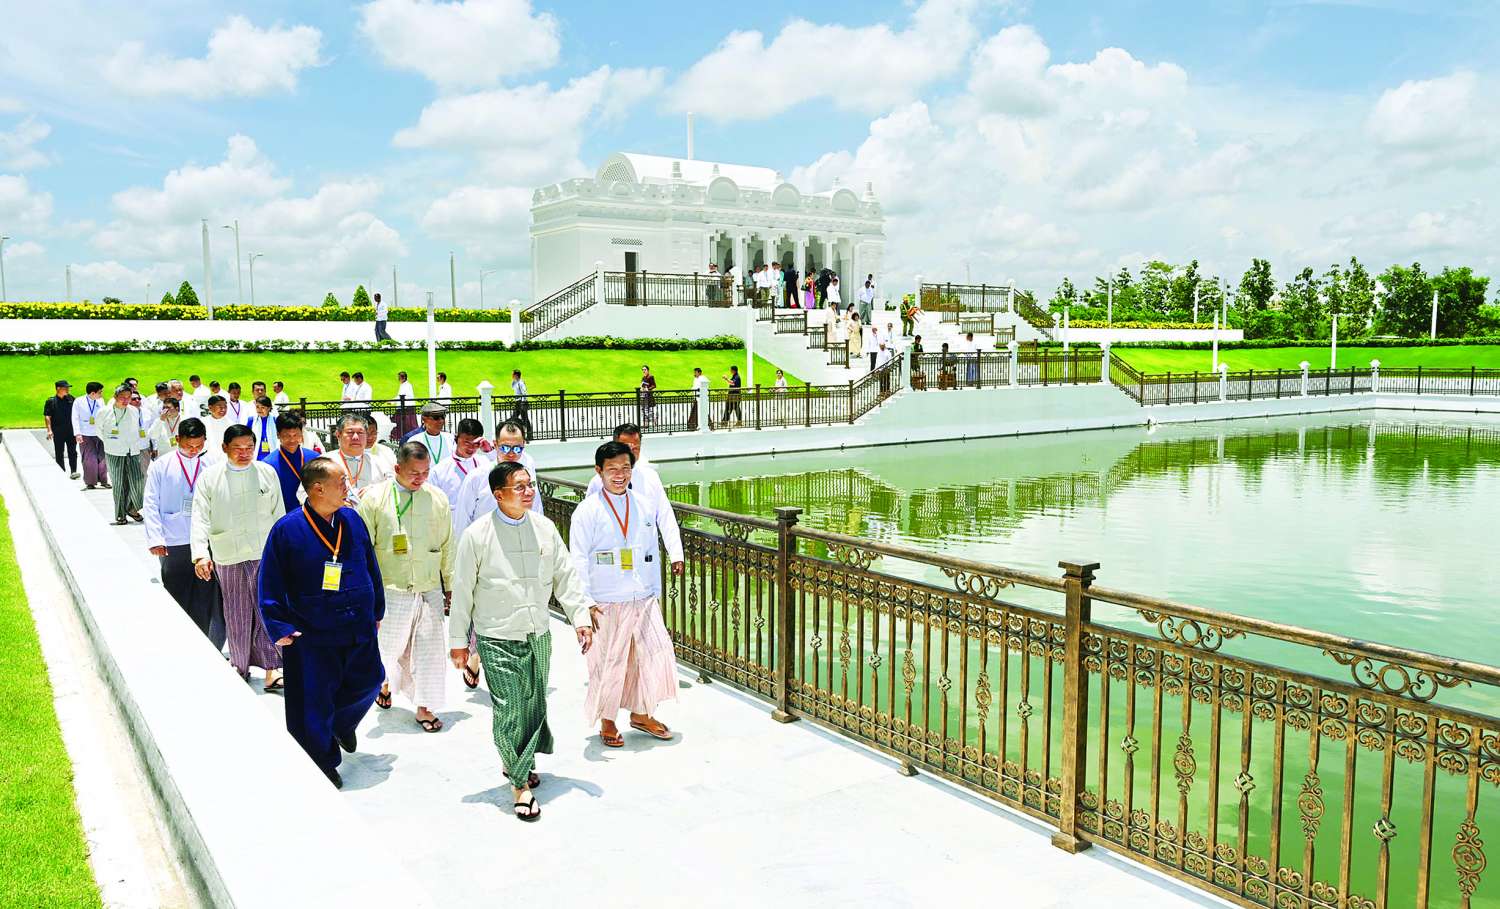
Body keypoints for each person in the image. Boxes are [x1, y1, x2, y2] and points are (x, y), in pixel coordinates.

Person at [448, 460, 594, 821]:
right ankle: (519, 784)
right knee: (509, 707)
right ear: (499, 495)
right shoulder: (477, 535)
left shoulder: (544, 528)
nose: (529, 492)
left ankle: (518, 760)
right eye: (520, 487)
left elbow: (566, 576)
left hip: (538, 631)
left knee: (532, 704)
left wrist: (580, 619)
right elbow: (462, 590)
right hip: (496, 634)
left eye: (531, 485)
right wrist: (458, 641)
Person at [258, 456, 385, 788]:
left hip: (357, 623)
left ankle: (341, 724)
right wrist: (279, 625)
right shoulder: (287, 530)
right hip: (312, 631)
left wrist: (376, 610)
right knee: (312, 701)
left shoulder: (352, 519)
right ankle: (321, 761)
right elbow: (270, 580)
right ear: (317, 489)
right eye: (341, 482)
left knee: (371, 680)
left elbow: (370, 565)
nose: (347, 487)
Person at [571, 441, 682, 748]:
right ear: (599, 471)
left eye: (625, 468)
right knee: (609, 662)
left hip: (641, 596)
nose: (619, 475)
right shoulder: (587, 511)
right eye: (612, 469)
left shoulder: (644, 504)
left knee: (652, 656)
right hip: (605, 600)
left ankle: (642, 713)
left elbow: (650, 549)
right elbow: (577, 559)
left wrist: (656, 586)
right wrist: (585, 602)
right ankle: (607, 720)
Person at [358, 443, 453, 733]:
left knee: (429, 650)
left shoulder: (437, 498)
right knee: (387, 648)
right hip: (390, 587)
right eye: (414, 473)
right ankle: (384, 682)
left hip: (428, 586)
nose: (420, 478)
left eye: (425, 473)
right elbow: (362, 547)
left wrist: (449, 584)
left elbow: (448, 544)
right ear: (397, 468)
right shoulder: (375, 498)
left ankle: (425, 707)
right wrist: (364, 590)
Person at [193, 424, 286, 690]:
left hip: (263, 553)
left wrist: (284, 553)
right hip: (228, 553)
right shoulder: (210, 477)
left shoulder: (267, 472)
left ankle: (273, 668)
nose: (244, 453)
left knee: (267, 607)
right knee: (236, 611)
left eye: (249, 448)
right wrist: (200, 554)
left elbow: (278, 514)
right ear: (224, 448)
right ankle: (239, 664)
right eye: (237, 448)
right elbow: (199, 516)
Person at [143, 417, 224, 646]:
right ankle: (178, 640)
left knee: (205, 593)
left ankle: (204, 641)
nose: (194, 450)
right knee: (176, 590)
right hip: (173, 538)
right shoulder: (161, 465)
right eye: (189, 446)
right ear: (178, 439)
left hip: (204, 540)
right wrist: (155, 538)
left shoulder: (212, 463)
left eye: (199, 445)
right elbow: (150, 502)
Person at [455, 421, 537, 530]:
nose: (511, 453)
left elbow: (537, 513)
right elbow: (462, 520)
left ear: (523, 445)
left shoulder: (528, 477)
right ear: (495, 445)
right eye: (505, 448)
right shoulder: (477, 477)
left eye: (517, 448)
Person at [98, 384, 146, 525]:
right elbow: (99, 431)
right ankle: (120, 514)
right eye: (122, 397)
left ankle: (131, 507)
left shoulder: (134, 411)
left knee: (138, 481)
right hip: (114, 451)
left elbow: (136, 429)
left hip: (133, 450)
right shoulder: (104, 412)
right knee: (119, 483)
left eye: (128, 397)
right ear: (115, 397)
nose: (125, 400)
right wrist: (111, 442)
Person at [429, 418, 490, 514]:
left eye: (476, 443)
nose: (471, 448)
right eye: (467, 442)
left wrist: (489, 451)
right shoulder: (439, 471)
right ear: (456, 438)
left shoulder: (485, 463)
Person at [266, 412, 320, 513]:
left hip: (314, 513)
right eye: (287, 435)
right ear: (278, 435)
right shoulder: (268, 464)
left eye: (296, 435)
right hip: (284, 515)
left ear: (301, 434)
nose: (292, 440)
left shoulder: (314, 458)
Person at [331, 413, 389, 500]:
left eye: (360, 433)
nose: (355, 437)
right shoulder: (326, 461)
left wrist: (377, 489)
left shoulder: (379, 462)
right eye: (350, 432)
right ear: (338, 434)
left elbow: (394, 486)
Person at [72, 381, 109, 489]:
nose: (101, 394)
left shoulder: (101, 401)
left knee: (103, 457)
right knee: (89, 458)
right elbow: (75, 417)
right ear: (93, 393)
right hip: (85, 433)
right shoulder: (79, 401)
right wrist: (77, 433)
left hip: (100, 433)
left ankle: (103, 480)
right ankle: (90, 482)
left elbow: (105, 415)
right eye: (100, 392)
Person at [44, 379, 79, 478]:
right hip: (58, 431)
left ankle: (73, 471)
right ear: (58, 388)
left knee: (73, 451)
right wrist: (49, 430)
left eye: (68, 388)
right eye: (65, 388)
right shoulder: (51, 401)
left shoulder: (71, 399)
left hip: (71, 430)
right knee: (59, 452)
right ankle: (61, 472)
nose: (68, 389)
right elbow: (47, 416)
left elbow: (77, 414)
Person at [395, 371, 417, 437]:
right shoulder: (403, 385)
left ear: (403, 378)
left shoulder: (407, 386)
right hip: (405, 407)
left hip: (407, 408)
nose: (398, 379)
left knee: (408, 425)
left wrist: (392, 401)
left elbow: (401, 396)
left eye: (399, 378)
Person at [509, 369, 529, 437]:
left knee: (524, 418)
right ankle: (513, 433)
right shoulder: (516, 382)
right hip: (517, 402)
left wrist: (523, 402)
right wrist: (513, 380)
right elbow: (512, 387)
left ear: (516, 375)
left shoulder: (521, 383)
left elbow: (524, 392)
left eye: (513, 374)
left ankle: (529, 434)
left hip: (521, 402)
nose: (512, 375)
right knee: (514, 417)